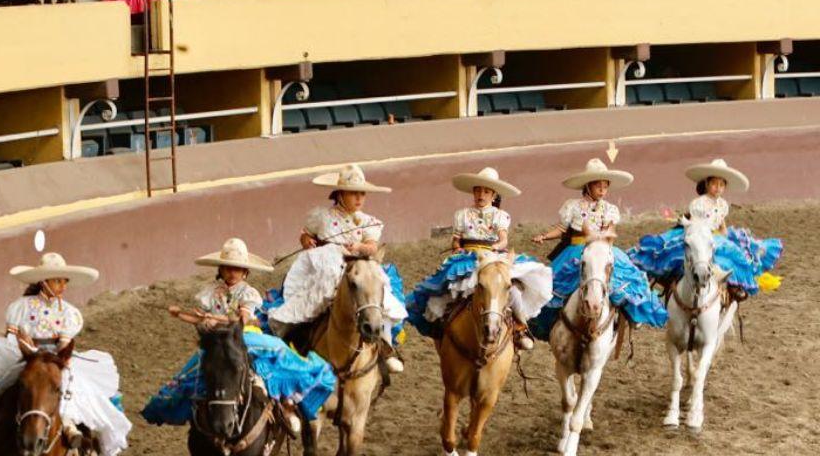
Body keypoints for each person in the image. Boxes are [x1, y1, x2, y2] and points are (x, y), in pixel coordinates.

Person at [0, 253, 131, 456]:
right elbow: (13, 338)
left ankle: (79, 434)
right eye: (58, 281)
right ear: (44, 281)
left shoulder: (70, 313)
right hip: (25, 355)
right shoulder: (20, 307)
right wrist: (30, 351)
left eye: (64, 281)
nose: (63, 286)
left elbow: (64, 344)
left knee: (74, 387)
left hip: (57, 359)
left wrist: (59, 358)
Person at [142, 238, 336, 431]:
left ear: (245, 272)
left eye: (236, 268)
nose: (231, 273)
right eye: (227, 268)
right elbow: (199, 319)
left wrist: (214, 319)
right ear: (220, 270)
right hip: (217, 342)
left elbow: (242, 320)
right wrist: (181, 315)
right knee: (191, 372)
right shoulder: (209, 292)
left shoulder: (249, 293)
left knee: (273, 363)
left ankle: (286, 406)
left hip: (244, 338)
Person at [261, 163, 407, 374]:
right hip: (327, 261)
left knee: (379, 293)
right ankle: (299, 335)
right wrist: (307, 242)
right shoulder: (322, 217)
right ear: (340, 194)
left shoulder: (369, 222)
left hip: (359, 262)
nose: (359, 199)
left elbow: (372, 246)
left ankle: (385, 346)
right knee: (320, 287)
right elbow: (305, 235)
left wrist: (359, 247)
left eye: (362, 194)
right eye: (353, 194)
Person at [405, 168, 551, 351]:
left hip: (493, 254)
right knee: (448, 288)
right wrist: (457, 248)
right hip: (467, 257)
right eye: (478, 190)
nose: (481, 195)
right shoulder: (462, 214)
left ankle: (520, 328)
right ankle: (442, 327)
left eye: (486, 191)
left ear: (493, 195)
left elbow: (504, 239)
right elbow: (456, 240)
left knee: (509, 287)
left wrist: (496, 248)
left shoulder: (501, 216)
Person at [528, 159, 667, 340]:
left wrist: (604, 238)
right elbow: (562, 229)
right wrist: (545, 236)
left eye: (605, 186)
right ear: (588, 186)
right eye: (598, 186)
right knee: (555, 281)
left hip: (602, 247)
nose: (602, 190)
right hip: (576, 248)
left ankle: (629, 313)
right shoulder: (573, 206)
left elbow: (610, 230)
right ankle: (553, 319)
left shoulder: (610, 209)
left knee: (622, 277)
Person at [629, 159, 783, 300]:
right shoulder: (698, 203)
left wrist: (724, 236)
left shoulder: (723, 205)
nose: (718, 188)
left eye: (721, 185)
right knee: (674, 254)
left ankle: (732, 287)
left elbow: (721, 223)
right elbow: (697, 226)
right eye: (714, 184)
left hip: (715, 236)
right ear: (707, 184)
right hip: (698, 233)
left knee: (736, 256)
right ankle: (667, 283)